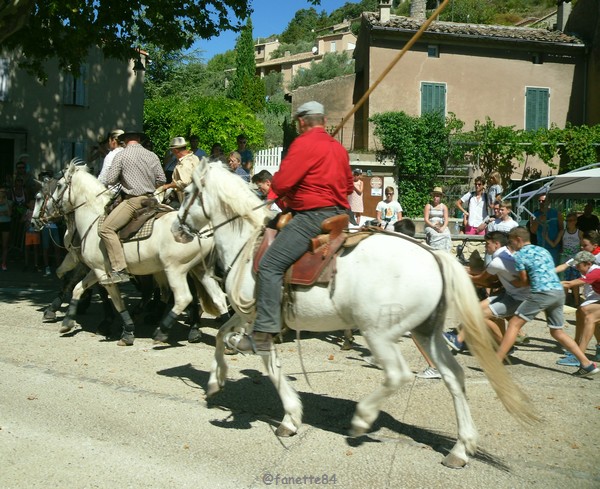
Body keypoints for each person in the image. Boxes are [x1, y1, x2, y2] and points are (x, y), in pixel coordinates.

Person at [224, 101, 354, 354]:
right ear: (324, 121)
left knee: (270, 265)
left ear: (302, 121)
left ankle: (264, 332)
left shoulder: (303, 143)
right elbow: (348, 186)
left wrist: (291, 191)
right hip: (340, 215)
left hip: (312, 217)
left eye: (298, 122)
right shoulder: (337, 148)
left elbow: (281, 182)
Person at [495, 227, 598, 377]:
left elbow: (524, 282)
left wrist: (513, 283)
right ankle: (587, 364)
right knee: (557, 331)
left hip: (542, 292)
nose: (510, 245)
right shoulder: (543, 251)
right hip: (557, 292)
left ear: (518, 240)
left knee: (513, 324)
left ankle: (496, 362)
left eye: (511, 241)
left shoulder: (520, 255)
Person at [444, 231, 531, 352]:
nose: (485, 247)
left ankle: (459, 340)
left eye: (487, 243)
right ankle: (463, 338)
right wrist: (468, 271)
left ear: (496, 244)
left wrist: (464, 274)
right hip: (510, 294)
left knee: (480, 315)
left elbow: (482, 280)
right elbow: (489, 278)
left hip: (517, 298)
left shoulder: (498, 261)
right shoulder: (506, 254)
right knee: (477, 310)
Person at [99, 130, 166, 285]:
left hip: (133, 201)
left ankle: (119, 268)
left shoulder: (121, 155)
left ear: (125, 140)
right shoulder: (152, 155)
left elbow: (110, 179)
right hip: (152, 199)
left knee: (106, 229)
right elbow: (162, 179)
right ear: (139, 140)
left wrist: (126, 179)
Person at [559, 251, 600, 366]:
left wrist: (548, 283)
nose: (577, 268)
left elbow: (569, 284)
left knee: (590, 318)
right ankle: (577, 346)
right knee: (581, 311)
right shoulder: (592, 270)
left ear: (587, 263)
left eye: (579, 265)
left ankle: (579, 356)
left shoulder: (595, 272)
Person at [159, 137, 200, 204]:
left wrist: (167, 186)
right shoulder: (194, 158)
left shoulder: (185, 163)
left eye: (171, 151)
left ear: (175, 150)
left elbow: (184, 183)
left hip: (186, 201)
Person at [529, 193, 563, 266]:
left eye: (543, 201)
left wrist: (558, 243)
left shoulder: (556, 214)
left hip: (554, 248)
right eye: (539, 201)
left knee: (553, 269)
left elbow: (561, 229)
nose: (541, 203)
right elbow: (533, 231)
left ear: (548, 202)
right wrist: (538, 220)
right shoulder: (534, 215)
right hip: (541, 247)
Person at [423, 186, 451, 252]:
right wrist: (433, 226)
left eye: (437, 196)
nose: (435, 198)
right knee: (434, 235)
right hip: (430, 225)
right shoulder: (428, 206)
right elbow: (426, 219)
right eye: (434, 196)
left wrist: (443, 227)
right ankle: (434, 252)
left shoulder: (444, 207)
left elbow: (446, 219)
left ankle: (445, 252)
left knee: (446, 234)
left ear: (440, 197)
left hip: (441, 225)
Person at [98, 129, 125, 195]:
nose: (109, 143)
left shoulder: (111, 156)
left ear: (113, 141)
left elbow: (103, 179)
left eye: (109, 141)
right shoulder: (128, 153)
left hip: (114, 193)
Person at [22, 199, 40, 272]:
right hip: (28, 232)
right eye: (31, 203)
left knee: (36, 249)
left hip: (35, 232)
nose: (33, 205)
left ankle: (36, 265)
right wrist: (25, 218)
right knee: (27, 249)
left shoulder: (37, 212)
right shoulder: (26, 211)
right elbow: (21, 220)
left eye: (34, 203)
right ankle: (26, 264)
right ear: (28, 204)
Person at [0, 187, 12, 270]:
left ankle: (3, 263)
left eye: (4, 191)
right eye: (1, 191)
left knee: (5, 245)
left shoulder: (9, 202)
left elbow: (9, 213)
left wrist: (6, 201)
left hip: (6, 223)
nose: (2, 193)